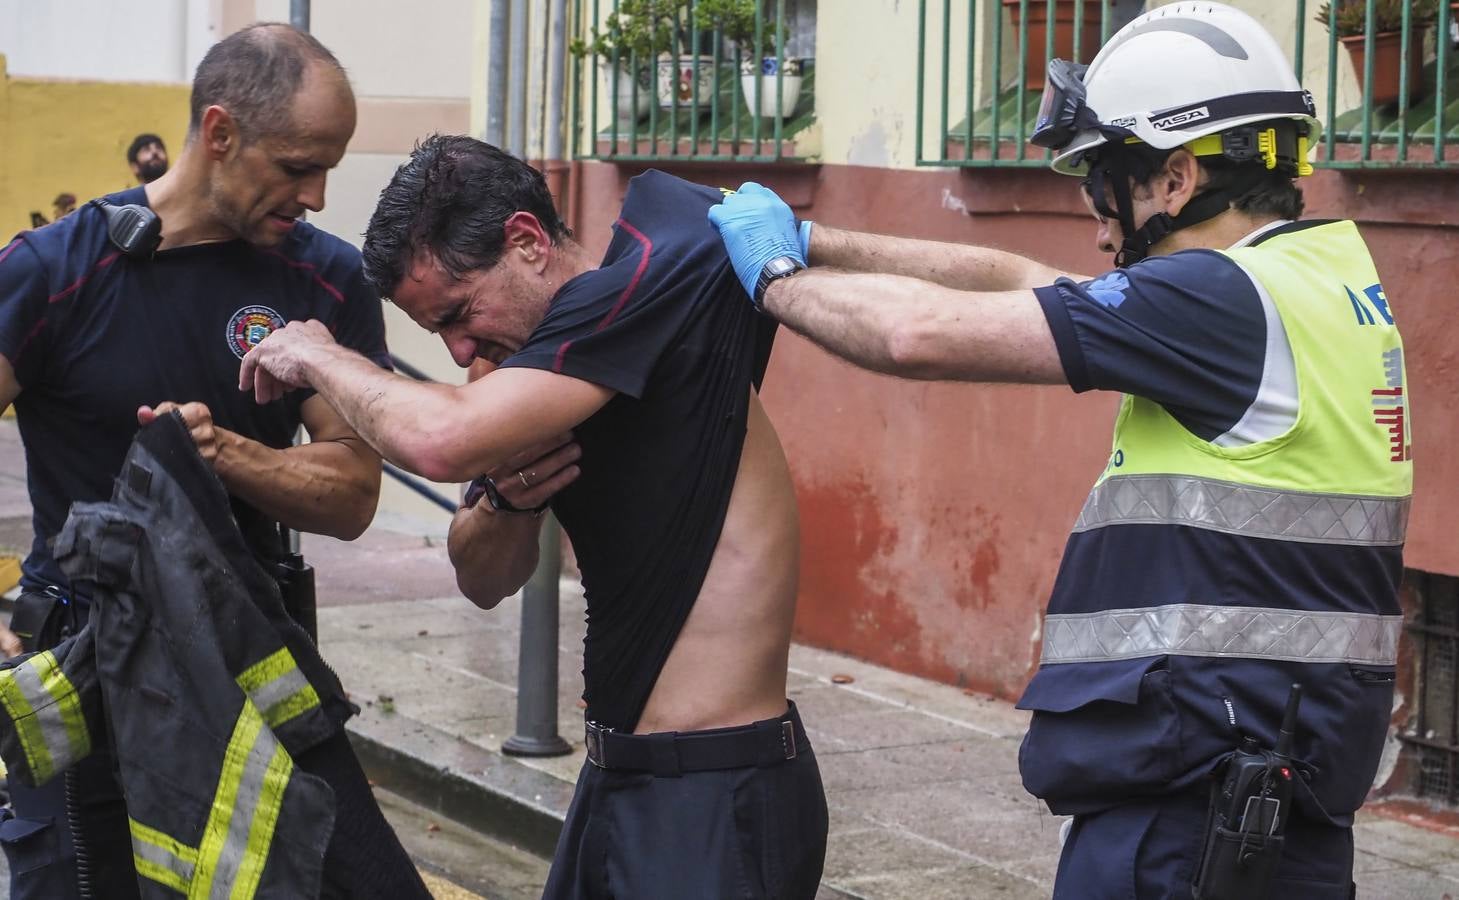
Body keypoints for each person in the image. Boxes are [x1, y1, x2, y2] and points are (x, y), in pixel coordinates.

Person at [709, 4, 1408, 899]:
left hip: (1190, 819)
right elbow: (1023, 279)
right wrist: (814, 240)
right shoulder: (1310, 280)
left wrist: (773, 278)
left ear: (1175, 176)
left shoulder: (1210, 301)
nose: (1094, 219)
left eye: (1100, 182)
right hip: (1271, 795)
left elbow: (914, 338)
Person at [237, 135, 829, 898]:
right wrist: (514, 503)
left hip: (713, 785)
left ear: (525, 241)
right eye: (436, 334)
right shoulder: (527, 365)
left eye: (458, 314)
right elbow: (482, 575)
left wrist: (322, 356)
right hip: (620, 778)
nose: (458, 353)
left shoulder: (635, 294)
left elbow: (439, 438)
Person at [0, 23, 429, 900]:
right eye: (296, 164)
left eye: (329, 170)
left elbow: (351, 492)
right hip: (84, 690)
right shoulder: (56, 271)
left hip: (248, 687)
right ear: (221, 133)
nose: (314, 194)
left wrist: (221, 455)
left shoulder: (326, 282)